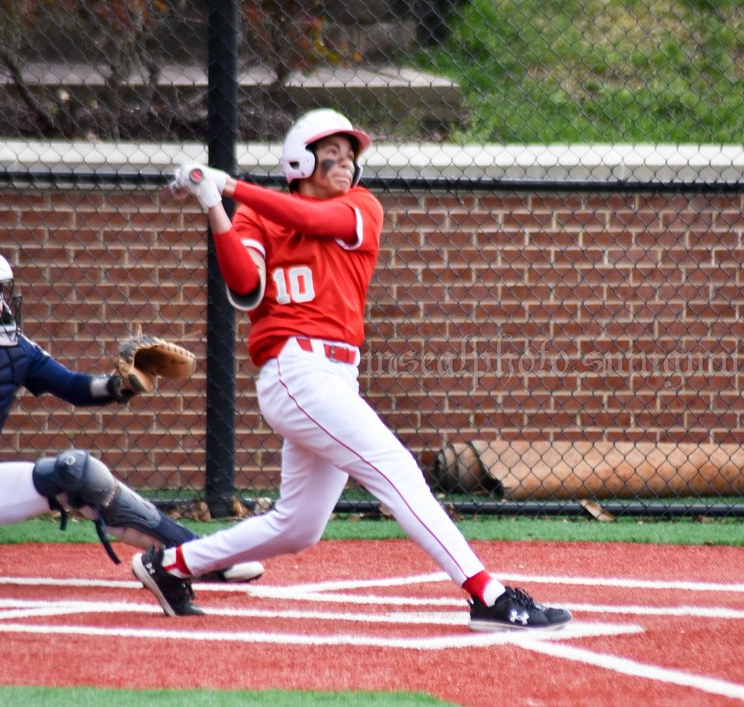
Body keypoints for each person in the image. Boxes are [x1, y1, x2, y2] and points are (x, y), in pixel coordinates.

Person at [135, 108, 572, 631]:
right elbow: (244, 288)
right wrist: (215, 206)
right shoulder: (256, 218)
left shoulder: (360, 206)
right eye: (332, 155)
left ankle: (171, 565)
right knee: (396, 467)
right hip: (295, 369)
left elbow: (314, 220)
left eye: (350, 157)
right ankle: (487, 596)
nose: (346, 165)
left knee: (298, 525)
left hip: (337, 374)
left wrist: (231, 185)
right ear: (302, 161)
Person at [0, 247, 262, 593]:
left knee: (77, 473)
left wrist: (120, 387)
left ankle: (200, 556)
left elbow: (73, 386)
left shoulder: (13, 349)